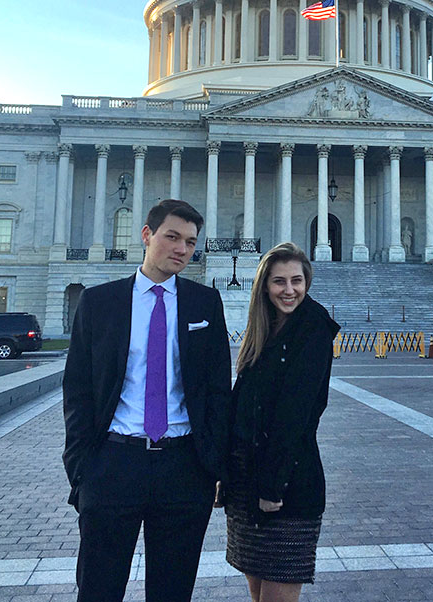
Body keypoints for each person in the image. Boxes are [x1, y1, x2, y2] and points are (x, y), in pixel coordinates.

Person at [62, 199, 231, 602]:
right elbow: (78, 389)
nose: (181, 250)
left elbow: (217, 389)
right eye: (172, 237)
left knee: (172, 592)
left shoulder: (204, 303)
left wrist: (213, 465)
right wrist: (82, 466)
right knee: (99, 588)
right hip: (114, 463)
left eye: (190, 242)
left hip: (183, 465)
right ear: (147, 235)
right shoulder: (99, 302)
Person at [224, 242, 340, 602]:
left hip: (285, 486)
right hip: (248, 482)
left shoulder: (313, 329)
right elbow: (240, 405)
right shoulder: (265, 328)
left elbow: (296, 415)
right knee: (258, 591)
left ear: (307, 282)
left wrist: (272, 487)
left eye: (296, 281)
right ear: (264, 286)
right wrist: (223, 472)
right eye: (279, 282)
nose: (289, 290)